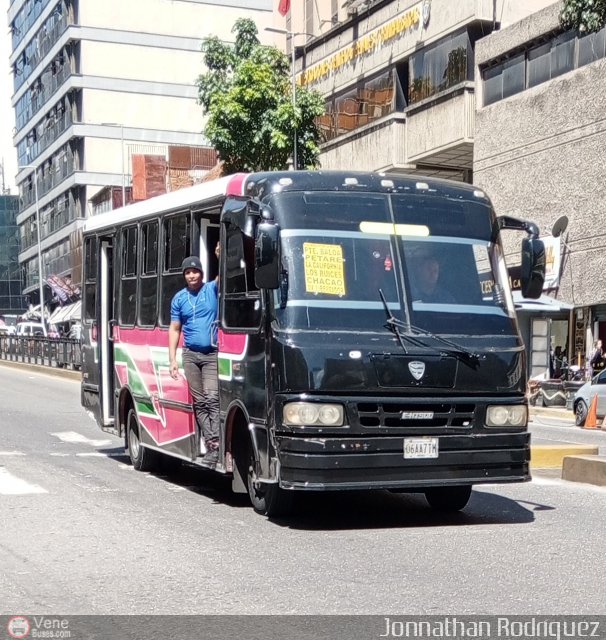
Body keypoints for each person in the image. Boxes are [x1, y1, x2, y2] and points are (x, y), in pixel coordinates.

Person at [169, 255, 219, 464]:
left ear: (202, 273)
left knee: (213, 398)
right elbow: (175, 329)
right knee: (199, 402)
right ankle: (211, 445)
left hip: (211, 355)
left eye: (195, 271)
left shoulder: (211, 290)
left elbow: (225, 275)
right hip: (190, 355)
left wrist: (221, 255)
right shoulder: (179, 298)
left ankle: (216, 443)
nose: (192, 275)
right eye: (188, 272)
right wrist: (173, 359)